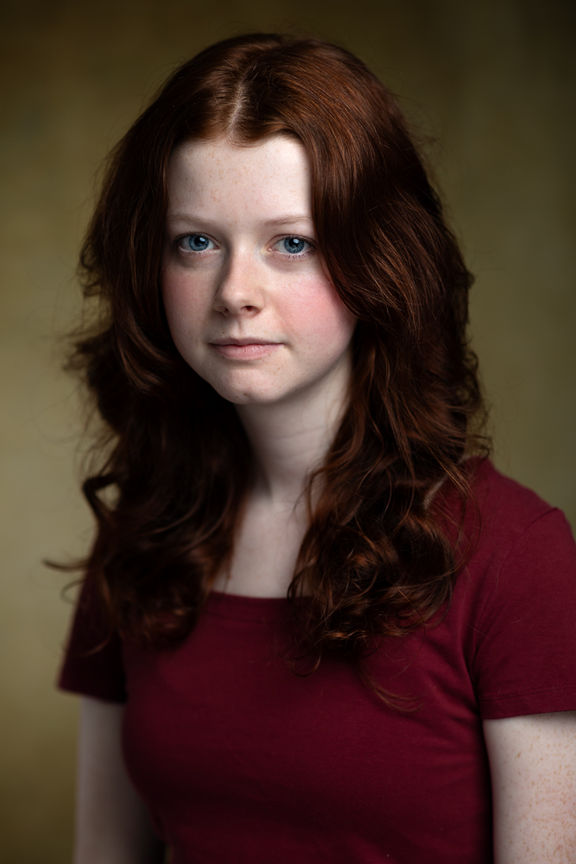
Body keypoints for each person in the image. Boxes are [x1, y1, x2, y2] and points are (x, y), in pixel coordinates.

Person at [58, 33, 576, 864]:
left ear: (382, 260)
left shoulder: (518, 558)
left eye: (291, 243)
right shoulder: (139, 543)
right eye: (196, 242)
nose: (236, 293)